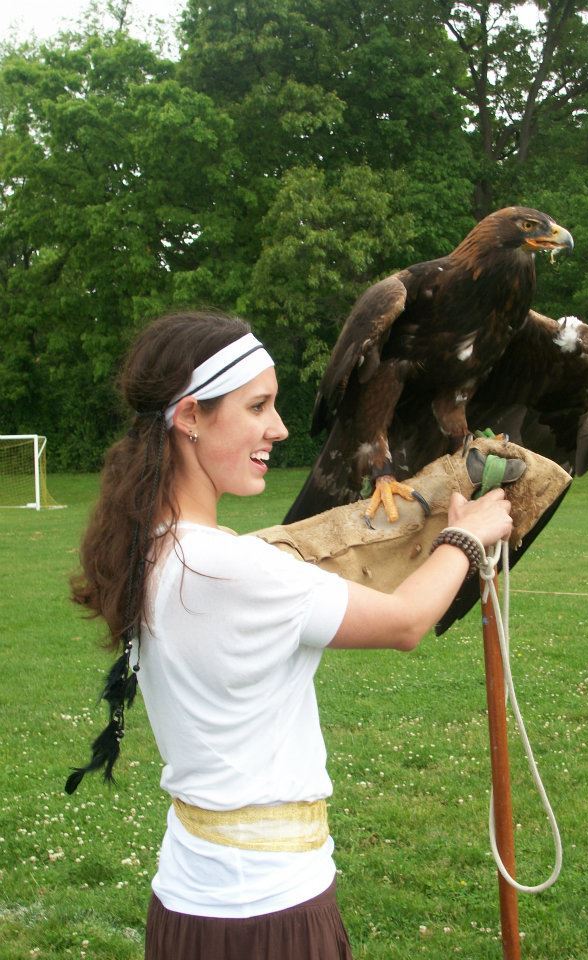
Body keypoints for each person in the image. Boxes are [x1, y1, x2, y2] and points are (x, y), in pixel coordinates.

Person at [68, 310, 513, 960]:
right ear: (190, 416)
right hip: (266, 914)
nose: (278, 428)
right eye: (258, 406)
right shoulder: (229, 566)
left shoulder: (165, 548)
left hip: (195, 902)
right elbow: (405, 623)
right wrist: (468, 535)